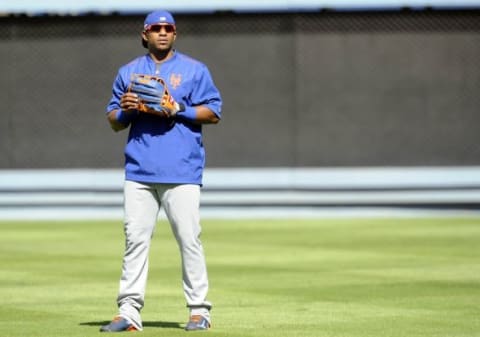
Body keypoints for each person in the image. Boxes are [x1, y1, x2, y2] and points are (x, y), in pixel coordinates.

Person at [100, 10, 222, 332]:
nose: (163, 33)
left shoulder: (195, 70)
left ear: (175, 34)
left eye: (169, 28)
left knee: (188, 240)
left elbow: (213, 112)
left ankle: (199, 311)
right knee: (134, 241)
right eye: (156, 28)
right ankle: (128, 312)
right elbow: (113, 121)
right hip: (140, 170)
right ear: (145, 34)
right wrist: (126, 111)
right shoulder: (128, 72)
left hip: (181, 170)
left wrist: (178, 108)